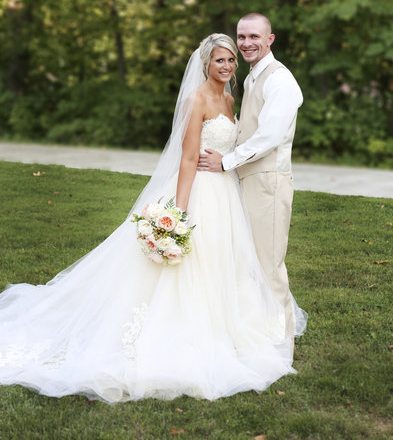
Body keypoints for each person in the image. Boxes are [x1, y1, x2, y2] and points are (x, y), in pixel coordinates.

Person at [0, 34, 296, 404]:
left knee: (222, 264)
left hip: (225, 192)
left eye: (231, 61)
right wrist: (181, 214)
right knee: (187, 267)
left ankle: (224, 329)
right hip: (198, 191)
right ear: (205, 63)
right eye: (220, 60)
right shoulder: (197, 98)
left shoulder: (230, 98)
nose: (227, 67)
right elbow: (188, 158)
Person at [198, 14, 307, 338]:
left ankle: (281, 340)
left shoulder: (280, 80)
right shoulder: (251, 77)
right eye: (241, 36)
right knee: (250, 261)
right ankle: (258, 329)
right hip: (247, 183)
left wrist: (227, 161)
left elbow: (269, 136)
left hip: (268, 183)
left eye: (254, 37)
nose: (246, 43)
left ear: (270, 39)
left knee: (269, 264)